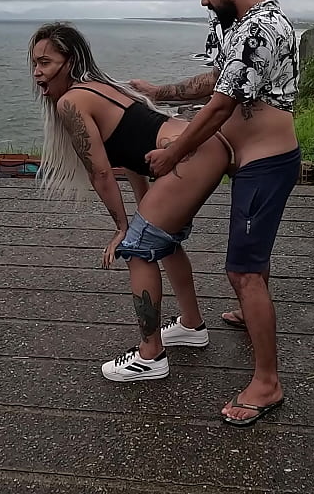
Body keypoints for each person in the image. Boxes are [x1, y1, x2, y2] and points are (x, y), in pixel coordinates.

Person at [134, 0, 301, 427]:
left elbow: (224, 103)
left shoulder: (263, 28)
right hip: (253, 161)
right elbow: (216, 80)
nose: (204, 0)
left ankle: (266, 383)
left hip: (266, 164)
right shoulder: (238, 28)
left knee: (242, 272)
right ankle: (252, 316)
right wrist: (158, 92)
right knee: (253, 262)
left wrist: (174, 152)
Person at [29, 22, 236, 383]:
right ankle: (191, 325)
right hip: (202, 148)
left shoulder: (70, 101)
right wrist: (141, 213)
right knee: (162, 241)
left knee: (138, 248)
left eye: (45, 62)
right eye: (34, 64)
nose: (37, 73)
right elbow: (130, 155)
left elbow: (101, 174)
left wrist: (124, 229)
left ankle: (150, 355)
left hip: (190, 154)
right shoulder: (101, 87)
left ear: (70, 60)